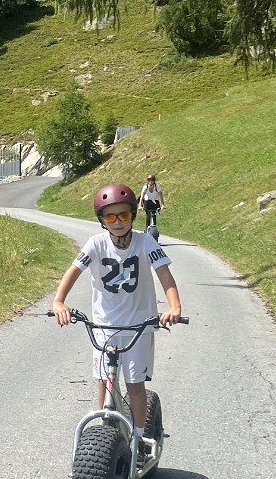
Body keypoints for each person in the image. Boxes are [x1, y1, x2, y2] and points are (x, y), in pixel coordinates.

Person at [52, 183, 182, 456]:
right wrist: (59, 301)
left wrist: (174, 306)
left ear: (133, 214)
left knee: (135, 384)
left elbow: (164, 275)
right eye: (110, 217)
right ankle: (106, 429)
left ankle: (138, 440)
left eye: (123, 215)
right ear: (102, 220)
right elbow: (73, 271)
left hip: (139, 326)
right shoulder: (96, 244)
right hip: (104, 326)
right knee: (104, 380)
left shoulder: (145, 242)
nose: (118, 222)